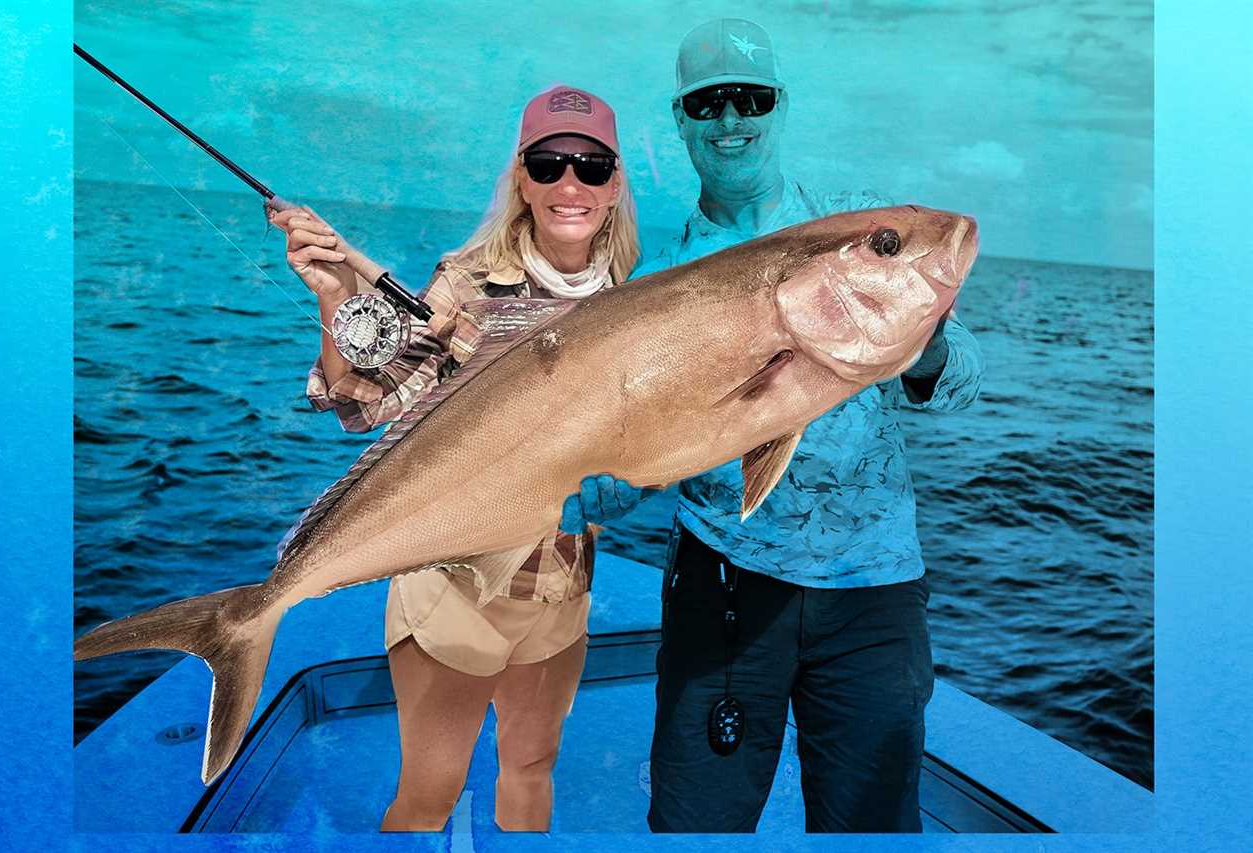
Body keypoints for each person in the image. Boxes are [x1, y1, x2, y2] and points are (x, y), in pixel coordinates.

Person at [564, 19, 984, 833]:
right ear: (682, 121)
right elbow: (620, 468)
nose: (731, 121)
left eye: (749, 99)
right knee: (697, 823)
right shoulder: (654, 280)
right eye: (708, 104)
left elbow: (961, 383)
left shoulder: (861, 232)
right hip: (721, 580)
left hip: (874, 588)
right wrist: (599, 490)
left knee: (874, 824)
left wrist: (922, 339)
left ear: (779, 107)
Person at [273, 85, 639, 832]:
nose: (570, 184)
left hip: (560, 588)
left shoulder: (639, 297)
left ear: (615, 183)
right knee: (429, 793)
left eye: (591, 166)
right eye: (549, 163)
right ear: (522, 180)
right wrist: (337, 299)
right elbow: (364, 403)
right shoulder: (469, 283)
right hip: (453, 593)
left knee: (533, 765)